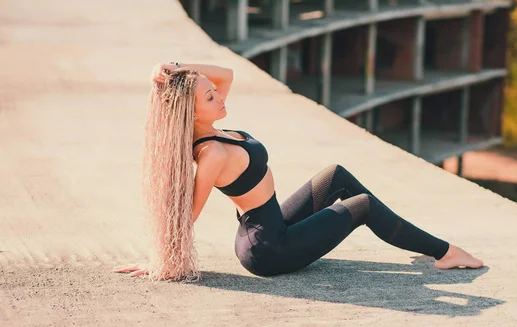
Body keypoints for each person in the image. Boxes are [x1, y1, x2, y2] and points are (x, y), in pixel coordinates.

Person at [114, 63, 485, 281]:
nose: (221, 96)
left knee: (335, 174)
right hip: (269, 251)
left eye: (215, 92)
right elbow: (190, 215)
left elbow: (224, 73)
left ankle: (428, 246)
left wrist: (176, 69)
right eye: (210, 98)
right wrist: (158, 260)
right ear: (192, 114)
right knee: (363, 206)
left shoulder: (215, 128)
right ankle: (445, 252)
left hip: (270, 226)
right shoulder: (210, 152)